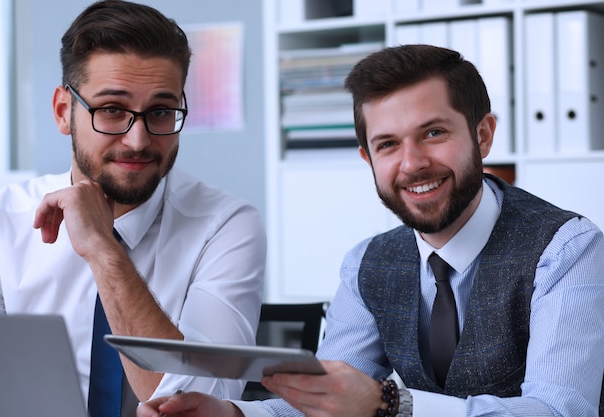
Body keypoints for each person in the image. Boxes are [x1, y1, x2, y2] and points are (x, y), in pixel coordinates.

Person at [137, 45, 604, 417]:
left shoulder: (566, 248)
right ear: (368, 158)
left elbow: (559, 411)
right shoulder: (368, 263)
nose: (412, 163)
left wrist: (389, 406)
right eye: (388, 144)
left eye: (434, 133)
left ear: (482, 135)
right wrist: (231, 413)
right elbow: (329, 398)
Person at [0, 1, 266, 416]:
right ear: (64, 111)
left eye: (160, 112)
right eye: (112, 110)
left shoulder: (226, 225)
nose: (138, 140)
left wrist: (102, 249)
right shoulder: (1, 222)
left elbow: (193, 406)